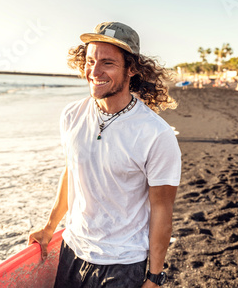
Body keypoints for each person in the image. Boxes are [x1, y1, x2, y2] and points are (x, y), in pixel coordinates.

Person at [28, 22, 182, 288]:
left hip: (122, 262)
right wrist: (50, 227)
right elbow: (72, 172)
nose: (94, 72)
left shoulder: (156, 134)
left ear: (132, 69)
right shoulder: (72, 115)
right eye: (90, 61)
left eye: (107, 63)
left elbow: (162, 209)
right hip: (73, 249)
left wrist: (155, 278)